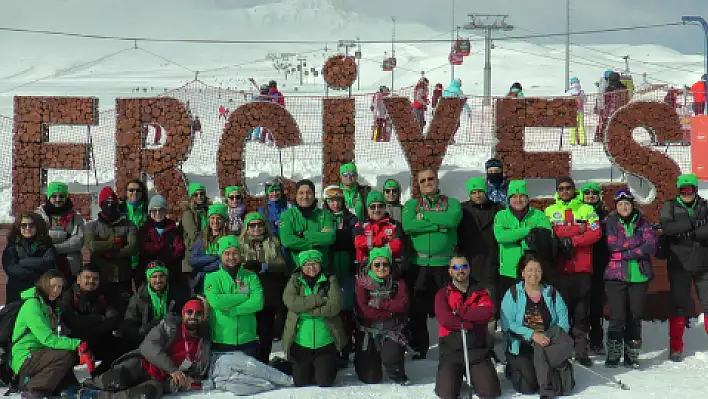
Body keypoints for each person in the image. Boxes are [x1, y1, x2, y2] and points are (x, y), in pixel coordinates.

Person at [81, 299, 211, 399]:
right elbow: (148, 347)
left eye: (198, 313)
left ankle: (97, 396)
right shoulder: (169, 327)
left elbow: (199, 373)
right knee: (116, 379)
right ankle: (87, 385)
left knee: (142, 396)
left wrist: (189, 381)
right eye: (189, 312)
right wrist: (173, 370)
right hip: (143, 364)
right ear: (183, 314)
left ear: (202, 317)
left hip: (160, 380)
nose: (193, 316)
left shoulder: (202, 344)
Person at [402, 168, 462, 359]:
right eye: (423, 180)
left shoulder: (451, 203)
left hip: (445, 264)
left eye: (431, 179)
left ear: (437, 181)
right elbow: (408, 225)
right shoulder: (412, 204)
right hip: (419, 264)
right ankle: (420, 347)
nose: (427, 182)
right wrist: (438, 225)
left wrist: (425, 219)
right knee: (418, 308)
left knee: (449, 305)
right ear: (418, 185)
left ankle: (452, 345)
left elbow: (452, 220)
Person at [544, 176, 602, 366]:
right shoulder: (550, 211)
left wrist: (572, 239)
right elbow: (550, 234)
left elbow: (595, 233)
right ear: (557, 191)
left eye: (568, 188)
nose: (565, 191)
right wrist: (578, 229)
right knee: (561, 313)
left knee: (581, 313)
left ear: (574, 189)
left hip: (582, 269)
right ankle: (563, 349)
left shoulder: (587, 209)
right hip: (559, 270)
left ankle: (581, 351)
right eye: (561, 188)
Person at [500, 253, 573, 396]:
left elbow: (563, 321)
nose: (534, 274)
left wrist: (551, 339)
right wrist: (532, 335)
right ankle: (512, 369)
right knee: (529, 386)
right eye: (530, 270)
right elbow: (507, 324)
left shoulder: (551, 292)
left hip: (547, 344)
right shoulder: (513, 293)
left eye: (538, 270)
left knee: (553, 383)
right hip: (522, 345)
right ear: (522, 273)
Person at [11, 270, 88, 398]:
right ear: (44, 285)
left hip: (38, 354)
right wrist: (78, 343)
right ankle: (34, 390)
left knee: (68, 352)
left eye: (59, 287)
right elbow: (47, 339)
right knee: (65, 354)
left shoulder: (50, 306)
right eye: (52, 286)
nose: (56, 290)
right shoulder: (32, 305)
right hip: (24, 356)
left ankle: (63, 386)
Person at [434, 256, 500, 399]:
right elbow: (445, 319)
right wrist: (469, 323)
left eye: (464, 266)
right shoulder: (443, 294)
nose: (460, 271)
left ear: (469, 269)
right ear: (450, 271)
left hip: (477, 350)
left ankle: (477, 375)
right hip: (452, 350)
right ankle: (454, 376)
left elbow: (486, 312)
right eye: (456, 268)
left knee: (490, 392)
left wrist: (461, 313)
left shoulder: (481, 292)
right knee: (446, 394)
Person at [604, 189, 657, 368]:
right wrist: (637, 244)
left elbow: (650, 245)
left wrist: (625, 253)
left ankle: (631, 354)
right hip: (615, 276)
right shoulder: (610, 222)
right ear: (616, 206)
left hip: (639, 276)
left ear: (632, 205)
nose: (624, 207)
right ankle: (613, 354)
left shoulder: (643, 222)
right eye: (620, 204)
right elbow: (612, 244)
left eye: (627, 204)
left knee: (635, 316)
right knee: (617, 317)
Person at [659, 173, 708, 362]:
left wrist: (691, 233)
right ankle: (676, 347)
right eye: (684, 190)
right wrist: (693, 223)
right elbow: (668, 228)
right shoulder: (669, 206)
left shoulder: (705, 205)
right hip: (679, 264)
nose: (687, 193)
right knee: (679, 305)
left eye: (691, 189)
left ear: (696, 190)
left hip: (704, 262)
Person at [282, 249, 346, 387]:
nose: (311, 268)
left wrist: (306, 310)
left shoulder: (330, 279)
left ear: (320, 264)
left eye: (315, 264)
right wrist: (318, 299)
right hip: (300, 342)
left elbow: (334, 306)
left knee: (324, 381)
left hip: (325, 342)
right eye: (307, 264)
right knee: (301, 382)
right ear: (301, 267)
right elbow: (291, 302)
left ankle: (328, 364)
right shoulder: (295, 280)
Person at [354, 247, 411, 385]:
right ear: (370, 265)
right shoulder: (362, 284)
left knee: (391, 358)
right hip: (369, 331)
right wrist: (391, 311)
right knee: (370, 378)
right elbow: (364, 311)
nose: (381, 268)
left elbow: (403, 304)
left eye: (385, 264)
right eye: (377, 264)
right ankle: (365, 361)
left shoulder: (398, 282)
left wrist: (379, 304)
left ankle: (395, 369)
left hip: (392, 331)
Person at [493, 180, 552, 311]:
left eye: (522, 196)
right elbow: (500, 236)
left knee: (532, 309)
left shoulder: (538, 215)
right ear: (509, 198)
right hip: (508, 272)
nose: (518, 199)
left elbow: (545, 237)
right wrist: (527, 232)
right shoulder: (501, 215)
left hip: (532, 273)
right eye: (514, 196)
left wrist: (514, 238)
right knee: (509, 308)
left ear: (527, 197)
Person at [58, 263, 123, 377]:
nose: (91, 281)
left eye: (95, 278)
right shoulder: (69, 294)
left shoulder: (105, 294)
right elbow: (71, 321)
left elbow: (113, 319)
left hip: (99, 337)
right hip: (77, 341)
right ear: (78, 279)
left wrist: (89, 325)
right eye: (87, 277)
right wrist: (99, 318)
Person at [239, 212, 287, 363]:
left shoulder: (273, 241)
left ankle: (264, 361)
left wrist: (263, 265)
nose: (256, 228)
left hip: (268, 293)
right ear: (246, 228)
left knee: (266, 331)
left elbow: (281, 264)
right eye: (252, 225)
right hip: (246, 291)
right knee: (249, 331)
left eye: (259, 224)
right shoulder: (239, 244)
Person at [204, 235, 264, 355]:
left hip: (248, 339)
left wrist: (233, 310)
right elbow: (216, 301)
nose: (231, 257)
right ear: (221, 255)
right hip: (222, 340)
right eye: (227, 253)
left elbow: (258, 303)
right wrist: (243, 297)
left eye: (235, 253)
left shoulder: (251, 277)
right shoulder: (212, 278)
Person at [84, 186, 138, 311]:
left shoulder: (129, 225)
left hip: (122, 278)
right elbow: (91, 245)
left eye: (112, 203)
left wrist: (111, 253)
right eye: (106, 203)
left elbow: (133, 247)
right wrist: (115, 243)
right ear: (101, 204)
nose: (110, 205)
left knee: (126, 311)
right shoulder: (92, 226)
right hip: (99, 278)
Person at [322, 185, 359, 367]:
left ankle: (346, 346)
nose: (334, 204)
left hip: (346, 268)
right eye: (331, 200)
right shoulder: (322, 217)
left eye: (337, 200)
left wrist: (334, 237)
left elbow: (355, 238)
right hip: (328, 268)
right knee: (330, 308)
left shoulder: (350, 218)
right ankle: (332, 345)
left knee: (346, 308)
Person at [458, 177, 504, 321]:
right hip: (470, 259)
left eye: (480, 191)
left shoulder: (498, 209)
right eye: (474, 192)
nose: (477, 195)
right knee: (470, 298)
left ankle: (490, 332)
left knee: (490, 298)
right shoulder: (463, 210)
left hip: (491, 259)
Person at [119, 261, 191, 350]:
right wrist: (145, 329)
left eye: (161, 276)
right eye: (154, 277)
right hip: (146, 339)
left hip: (172, 338)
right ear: (148, 278)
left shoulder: (177, 295)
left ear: (166, 277)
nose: (158, 280)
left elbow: (184, 317)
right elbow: (129, 323)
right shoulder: (139, 297)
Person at [279, 179, 336, 273]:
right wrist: (317, 239)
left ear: (314, 196)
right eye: (301, 193)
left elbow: (330, 237)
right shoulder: (287, 216)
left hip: (322, 269)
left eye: (308, 193)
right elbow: (287, 241)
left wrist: (303, 234)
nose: (305, 196)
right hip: (296, 269)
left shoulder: (325, 215)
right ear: (296, 196)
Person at [580, 182, 610, 355]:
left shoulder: (604, 215)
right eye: (587, 193)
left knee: (596, 304)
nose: (590, 195)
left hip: (598, 264)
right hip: (579, 263)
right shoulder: (578, 211)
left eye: (594, 193)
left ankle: (597, 340)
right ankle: (579, 340)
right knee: (579, 305)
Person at [2, 212, 57, 304]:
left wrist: (22, 262)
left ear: (37, 227)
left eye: (31, 225)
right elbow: (11, 268)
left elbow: (49, 262)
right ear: (19, 227)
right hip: (17, 292)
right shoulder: (12, 245)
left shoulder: (46, 244)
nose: (27, 228)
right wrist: (35, 276)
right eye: (24, 225)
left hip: (39, 290)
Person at [36, 181, 85, 280]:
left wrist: (53, 248)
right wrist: (65, 239)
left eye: (61, 196)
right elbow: (39, 239)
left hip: (71, 266)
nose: (58, 200)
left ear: (66, 197)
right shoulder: (39, 217)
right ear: (49, 197)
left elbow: (78, 241)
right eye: (54, 196)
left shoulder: (76, 217)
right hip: (46, 266)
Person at [138, 195, 186, 290]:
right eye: (154, 210)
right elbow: (144, 249)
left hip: (171, 273)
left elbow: (179, 250)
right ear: (150, 212)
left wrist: (162, 252)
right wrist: (166, 249)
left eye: (161, 210)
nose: (157, 213)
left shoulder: (173, 229)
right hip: (150, 274)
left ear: (165, 211)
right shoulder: (145, 229)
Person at [353, 190, 405, 268]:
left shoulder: (394, 225)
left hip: (389, 268)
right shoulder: (361, 225)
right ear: (368, 209)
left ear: (385, 207)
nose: (377, 210)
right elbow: (358, 243)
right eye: (373, 206)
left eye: (380, 206)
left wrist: (371, 245)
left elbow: (396, 246)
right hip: (366, 267)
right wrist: (381, 241)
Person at [189, 203, 230, 293]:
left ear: (224, 220)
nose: (215, 221)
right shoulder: (201, 237)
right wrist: (214, 257)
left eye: (219, 218)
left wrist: (202, 266)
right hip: (202, 283)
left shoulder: (228, 238)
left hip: (221, 282)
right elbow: (193, 260)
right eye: (212, 218)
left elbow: (223, 263)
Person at [120, 179, 149, 288]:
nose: (135, 193)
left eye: (138, 190)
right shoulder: (120, 209)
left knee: (142, 290)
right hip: (124, 257)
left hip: (141, 257)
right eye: (131, 190)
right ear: (126, 192)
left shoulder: (148, 210)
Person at [181, 182, 209, 276]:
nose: (199, 196)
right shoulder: (188, 213)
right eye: (196, 194)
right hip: (193, 252)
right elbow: (194, 235)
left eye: (202, 194)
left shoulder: (208, 211)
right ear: (191, 197)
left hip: (207, 252)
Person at [595, 71, 628, 142]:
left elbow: (606, 100)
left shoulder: (609, 88)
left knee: (606, 123)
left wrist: (602, 107)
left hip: (610, 110)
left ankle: (602, 136)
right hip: (621, 109)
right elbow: (626, 98)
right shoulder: (624, 87)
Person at [568, 77, 587, 145]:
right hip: (580, 111)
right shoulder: (581, 92)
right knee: (581, 126)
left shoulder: (569, 92)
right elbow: (585, 101)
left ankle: (572, 141)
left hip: (572, 112)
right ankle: (583, 140)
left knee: (572, 126)